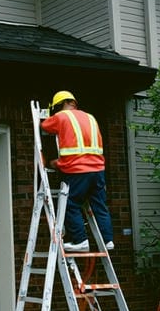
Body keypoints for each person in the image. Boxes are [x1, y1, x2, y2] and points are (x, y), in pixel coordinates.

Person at [41, 90, 114, 252]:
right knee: (100, 205)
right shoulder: (90, 117)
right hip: (98, 169)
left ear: (59, 105)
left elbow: (45, 125)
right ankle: (108, 240)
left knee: (70, 204)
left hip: (78, 170)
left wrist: (57, 163)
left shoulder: (62, 116)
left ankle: (80, 240)